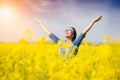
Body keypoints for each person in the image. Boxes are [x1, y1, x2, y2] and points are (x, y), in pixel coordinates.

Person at [35, 16, 102, 55]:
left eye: (70, 30)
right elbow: (50, 34)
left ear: (73, 35)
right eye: (66, 30)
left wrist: (93, 21)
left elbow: (83, 33)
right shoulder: (61, 43)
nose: (67, 31)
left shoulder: (75, 44)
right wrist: (41, 23)